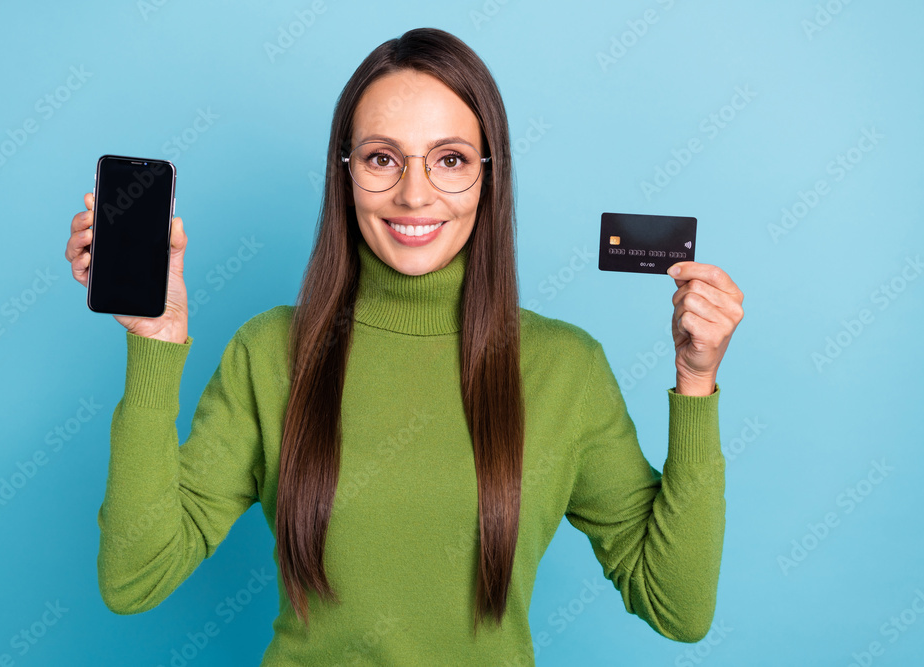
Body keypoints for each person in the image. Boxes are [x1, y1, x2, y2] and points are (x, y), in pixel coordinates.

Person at [64, 27, 744, 666]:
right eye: (382, 158)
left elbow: (677, 605)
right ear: (345, 171)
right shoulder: (270, 350)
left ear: (488, 174)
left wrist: (695, 383)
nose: (414, 194)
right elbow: (136, 576)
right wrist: (156, 345)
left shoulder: (566, 367)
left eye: (449, 159)